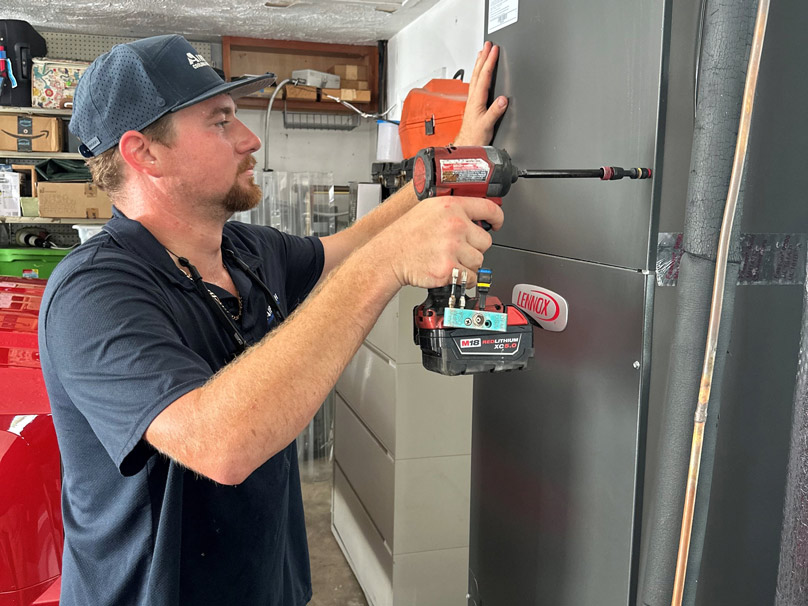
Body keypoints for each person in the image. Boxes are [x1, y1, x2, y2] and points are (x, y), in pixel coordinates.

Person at [39, 34, 507, 606]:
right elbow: (221, 445)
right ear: (144, 153)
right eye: (220, 121)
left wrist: (446, 163)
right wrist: (388, 264)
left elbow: (354, 245)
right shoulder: (94, 293)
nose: (250, 138)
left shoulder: (245, 249)